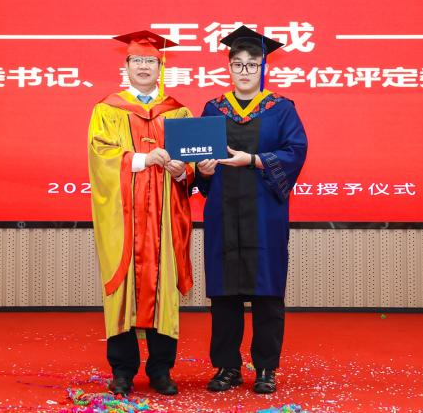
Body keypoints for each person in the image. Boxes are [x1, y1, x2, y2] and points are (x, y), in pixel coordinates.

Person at [195, 26, 308, 395]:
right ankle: (227, 367)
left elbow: (295, 151)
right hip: (223, 212)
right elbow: (200, 159)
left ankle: (265, 368)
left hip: (265, 214)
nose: (244, 72)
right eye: (238, 64)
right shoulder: (214, 109)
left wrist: (254, 159)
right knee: (224, 294)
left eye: (252, 65)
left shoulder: (281, 109)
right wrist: (203, 171)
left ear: (263, 68)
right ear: (229, 67)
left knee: (267, 293)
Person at [87, 30, 194, 397]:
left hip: (165, 216)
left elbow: (192, 165)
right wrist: (143, 159)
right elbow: (100, 156)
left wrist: (181, 171)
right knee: (123, 290)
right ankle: (122, 371)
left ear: (160, 67)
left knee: (164, 287)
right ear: (127, 66)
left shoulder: (178, 112)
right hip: (125, 218)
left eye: (151, 60)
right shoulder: (107, 110)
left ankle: (161, 370)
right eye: (138, 61)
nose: (144, 66)